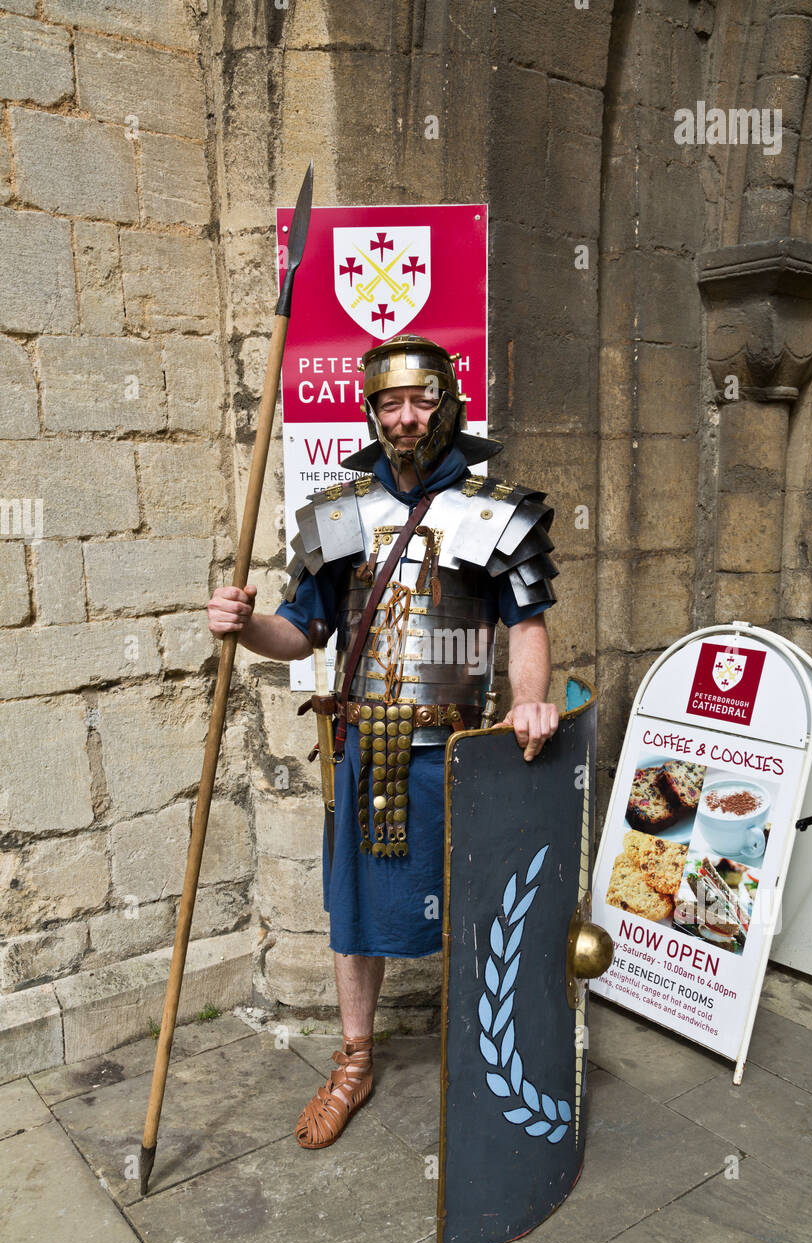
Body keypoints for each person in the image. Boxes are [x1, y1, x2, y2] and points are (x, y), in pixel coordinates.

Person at [207, 333, 560, 1149]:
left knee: (483, 911)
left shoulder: (494, 510)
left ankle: (489, 1055)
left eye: (421, 400)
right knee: (358, 915)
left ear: (448, 404)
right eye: (390, 403)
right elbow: (302, 633)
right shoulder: (340, 513)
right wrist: (245, 626)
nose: (406, 417)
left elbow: (526, 626)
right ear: (372, 413)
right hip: (368, 748)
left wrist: (531, 703)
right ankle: (356, 1059)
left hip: (467, 752)